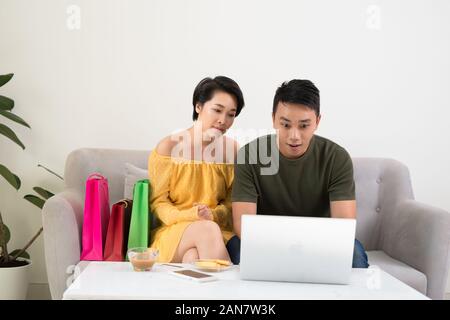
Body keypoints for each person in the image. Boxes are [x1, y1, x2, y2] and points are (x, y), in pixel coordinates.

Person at [229, 79, 369, 268]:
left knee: (354, 256)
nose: (294, 136)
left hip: (322, 242)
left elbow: (344, 225)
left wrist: (304, 246)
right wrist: (280, 246)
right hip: (264, 241)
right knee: (238, 250)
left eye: (304, 126)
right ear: (273, 119)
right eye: (285, 125)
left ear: (317, 121)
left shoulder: (336, 157)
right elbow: (243, 225)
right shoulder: (250, 155)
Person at [148, 76, 244, 263]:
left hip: (217, 231)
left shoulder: (232, 151)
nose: (223, 120)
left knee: (192, 258)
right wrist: (191, 215)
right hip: (173, 232)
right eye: (217, 110)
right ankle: (231, 291)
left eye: (231, 115)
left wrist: (213, 215)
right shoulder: (168, 147)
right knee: (207, 230)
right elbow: (158, 203)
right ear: (198, 106)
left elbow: (232, 203)